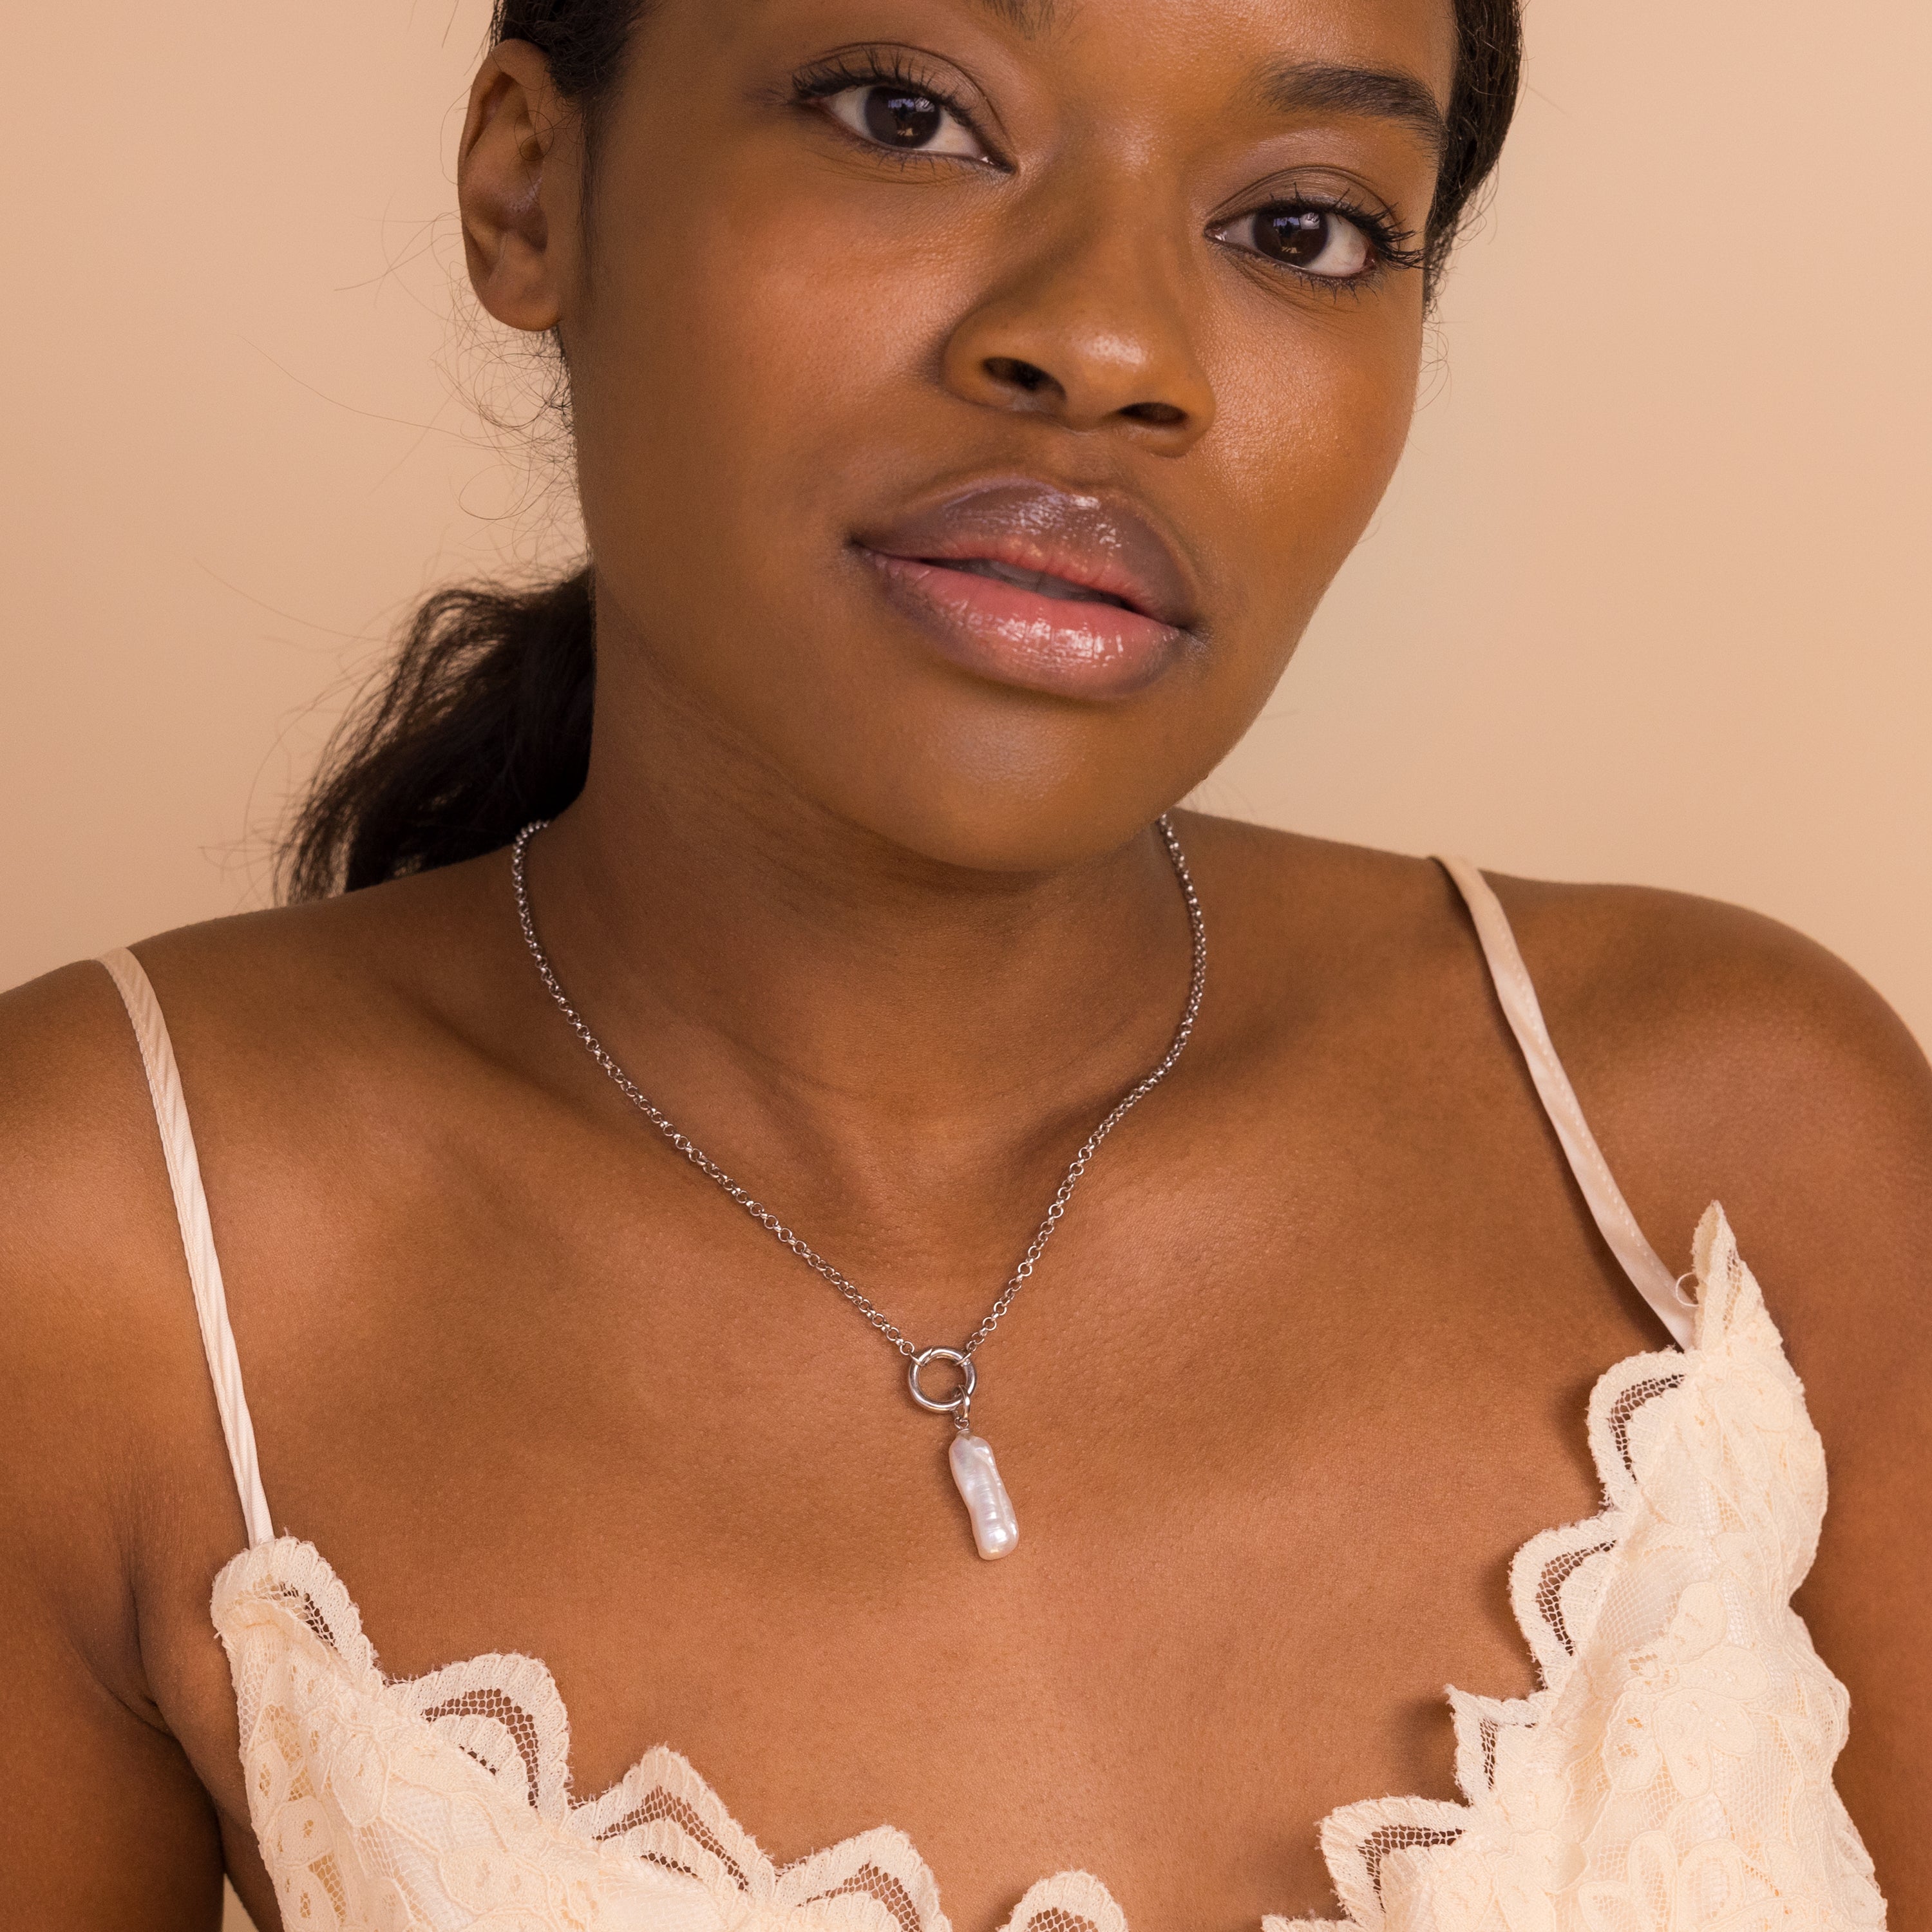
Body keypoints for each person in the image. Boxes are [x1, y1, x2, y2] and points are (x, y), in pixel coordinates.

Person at [3, 0, 1926, 1926]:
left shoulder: (1724, 1144)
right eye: (907, 115)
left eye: (1304, 228)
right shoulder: (99, 1262)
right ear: (530, 184)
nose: (1105, 348)